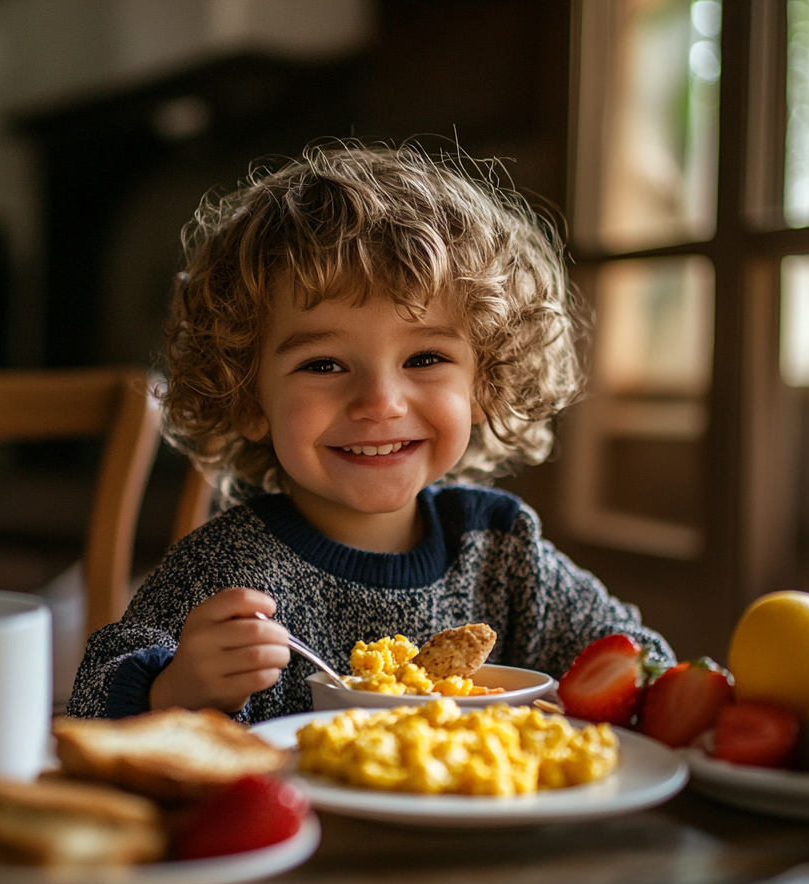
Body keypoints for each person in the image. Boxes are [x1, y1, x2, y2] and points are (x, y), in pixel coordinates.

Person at [68, 142, 674, 722]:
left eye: (425, 359)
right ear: (248, 396)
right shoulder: (224, 571)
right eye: (324, 365)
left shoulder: (502, 551)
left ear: (486, 380)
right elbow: (91, 703)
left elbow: (641, 662)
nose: (380, 403)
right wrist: (175, 688)